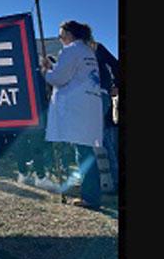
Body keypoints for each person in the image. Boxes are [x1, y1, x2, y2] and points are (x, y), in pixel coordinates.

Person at [40, 21, 103, 209]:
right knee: (86, 149)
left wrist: (45, 71)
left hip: (76, 106)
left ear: (69, 34)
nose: (60, 39)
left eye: (61, 35)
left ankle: (90, 197)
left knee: (83, 151)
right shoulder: (86, 50)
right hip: (89, 104)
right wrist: (54, 66)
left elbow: (58, 78)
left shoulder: (70, 50)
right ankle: (90, 192)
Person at [89, 38, 119, 193]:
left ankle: (112, 181)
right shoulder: (74, 51)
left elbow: (115, 64)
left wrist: (116, 85)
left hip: (100, 97)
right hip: (89, 100)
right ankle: (106, 180)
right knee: (101, 140)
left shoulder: (95, 47)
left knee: (104, 140)